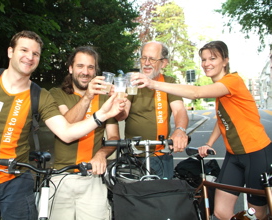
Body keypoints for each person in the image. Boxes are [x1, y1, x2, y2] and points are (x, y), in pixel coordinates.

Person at [0, 31, 126, 220]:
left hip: (16, 182)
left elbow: (65, 132)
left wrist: (103, 114)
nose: (29, 57)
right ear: (10, 52)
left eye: (36, 54)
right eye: (24, 50)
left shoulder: (40, 95)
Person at [131, 40, 272, 220]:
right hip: (233, 155)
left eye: (212, 58)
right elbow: (222, 119)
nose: (206, 64)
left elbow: (196, 93)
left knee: (257, 214)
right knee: (221, 212)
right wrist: (209, 143)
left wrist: (153, 84)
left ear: (225, 60)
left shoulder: (232, 81)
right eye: (204, 59)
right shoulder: (220, 90)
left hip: (256, 152)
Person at [48, 46, 119, 220]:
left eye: (90, 67)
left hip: (92, 178)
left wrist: (102, 154)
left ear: (96, 71)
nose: (85, 72)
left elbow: (114, 137)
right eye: (80, 66)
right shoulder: (56, 94)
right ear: (70, 68)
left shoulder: (104, 98)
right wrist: (87, 97)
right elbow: (66, 125)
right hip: (61, 176)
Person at [116, 41, 189, 180]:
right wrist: (117, 105)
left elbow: (180, 110)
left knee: (162, 199)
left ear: (163, 63)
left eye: (152, 59)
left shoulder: (168, 82)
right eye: (144, 58)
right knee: (134, 199)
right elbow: (122, 116)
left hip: (161, 155)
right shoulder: (132, 82)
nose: (147, 63)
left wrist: (180, 130)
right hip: (134, 156)